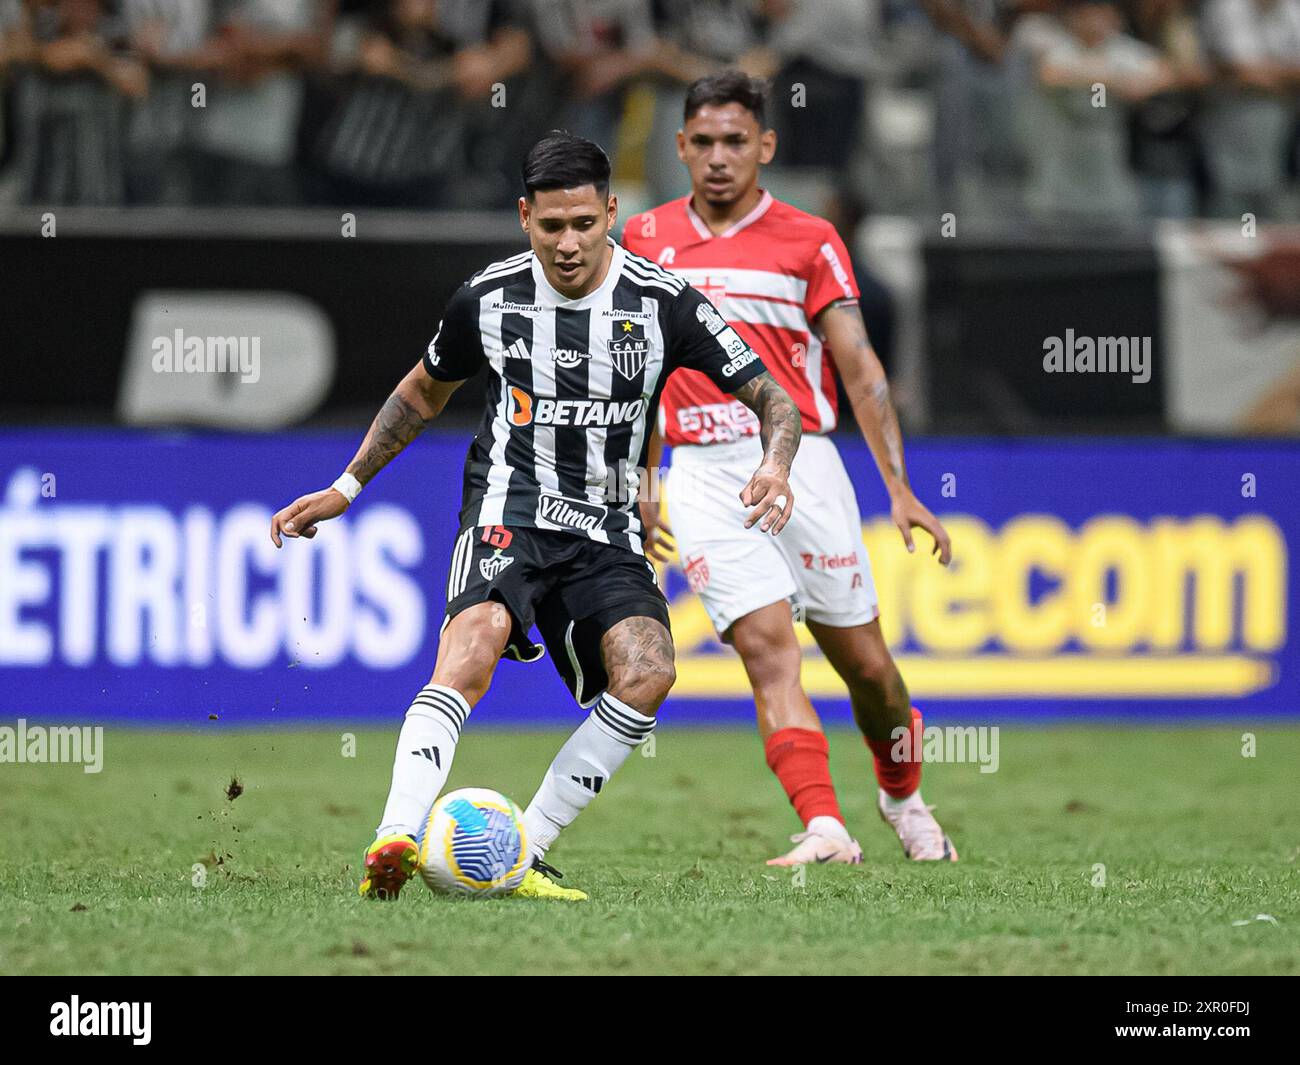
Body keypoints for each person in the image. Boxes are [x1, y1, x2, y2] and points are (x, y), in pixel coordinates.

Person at [270, 131, 802, 900]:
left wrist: (776, 461)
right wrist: (346, 487)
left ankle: (524, 848)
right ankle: (395, 832)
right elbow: (424, 389)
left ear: (611, 212)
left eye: (585, 223)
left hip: (608, 527)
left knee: (650, 671)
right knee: (473, 643)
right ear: (525, 217)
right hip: (508, 509)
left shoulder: (662, 304)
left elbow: (772, 397)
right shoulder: (487, 298)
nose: (569, 243)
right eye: (551, 226)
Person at [623, 71, 957, 864]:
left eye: (735, 141)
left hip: (803, 463)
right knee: (768, 648)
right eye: (702, 142)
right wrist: (639, 476)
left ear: (765, 146)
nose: (717, 158)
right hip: (704, 472)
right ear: (680, 147)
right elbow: (633, 371)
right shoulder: (641, 241)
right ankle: (825, 826)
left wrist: (899, 487)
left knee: (869, 669)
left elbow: (862, 367)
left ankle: (904, 798)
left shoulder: (810, 240)